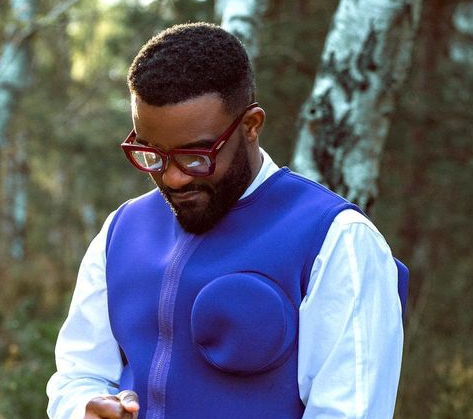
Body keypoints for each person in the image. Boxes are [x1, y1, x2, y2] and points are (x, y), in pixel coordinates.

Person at [46, 22, 404, 419]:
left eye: (195, 157)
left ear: (251, 126)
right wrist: (83, 407)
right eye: (152, 154)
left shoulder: (337, 239)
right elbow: (78, 375)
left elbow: (349, 411)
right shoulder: (121, 230)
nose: (173, 178)